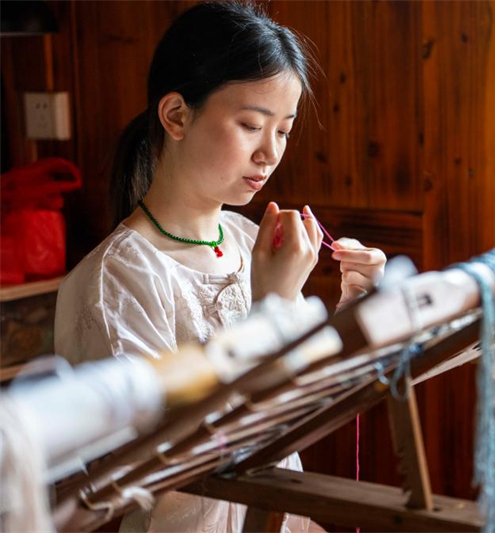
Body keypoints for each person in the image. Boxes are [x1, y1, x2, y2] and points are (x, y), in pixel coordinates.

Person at [54, 2, 386, 532]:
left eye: (284, 130)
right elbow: (154, 468)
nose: (269, 153)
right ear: (176, 116)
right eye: (251, 125)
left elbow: (306, 397)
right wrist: (272, 308)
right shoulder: (116, 280)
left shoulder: (248, 240)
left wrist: (358, 311)